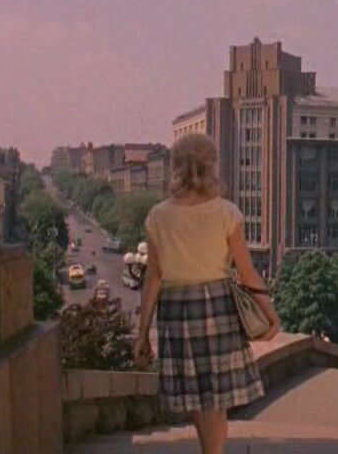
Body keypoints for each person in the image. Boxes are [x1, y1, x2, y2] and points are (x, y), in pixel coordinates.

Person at [133, 133, 280, 454]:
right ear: (211, 166)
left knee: (198, 397)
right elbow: (247, 273)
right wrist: (271, 314)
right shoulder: (226, 213)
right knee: (214, 399)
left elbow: (153, 278)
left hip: (176, 310)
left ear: (176, 168)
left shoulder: (158, 216)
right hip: (217, 306)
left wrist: (142, 333)